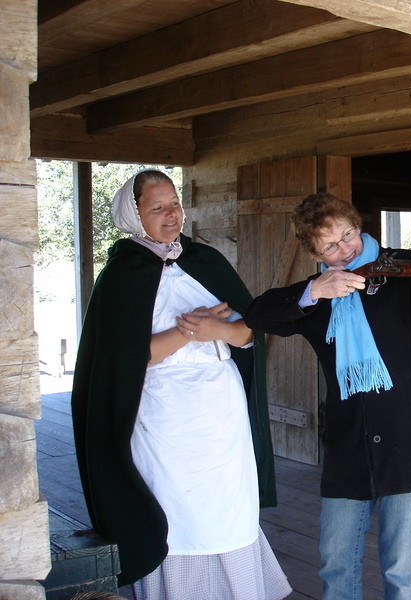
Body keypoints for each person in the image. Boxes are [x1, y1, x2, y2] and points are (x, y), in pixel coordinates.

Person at [71, 170, 292, 600]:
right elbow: (122, 358)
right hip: (163, 412)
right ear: (134, 215)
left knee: (226, 508)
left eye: (174, 203)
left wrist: (219, 330)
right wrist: (190, 332)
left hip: (221, 411)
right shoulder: (122, 274)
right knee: (177, 512)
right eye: (157, 208)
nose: (171, 214)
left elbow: (249, 332)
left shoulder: (204, 260)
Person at [244, 192, 411, 600]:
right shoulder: (320, 295)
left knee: (401, 565)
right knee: (335, 560)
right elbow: (257, 315)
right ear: (314, 252)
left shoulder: (406, 268)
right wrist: (313, 291)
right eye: (330, 245)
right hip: (351, 440)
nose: (344, 248)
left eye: (347, 234)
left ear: (359, 228)